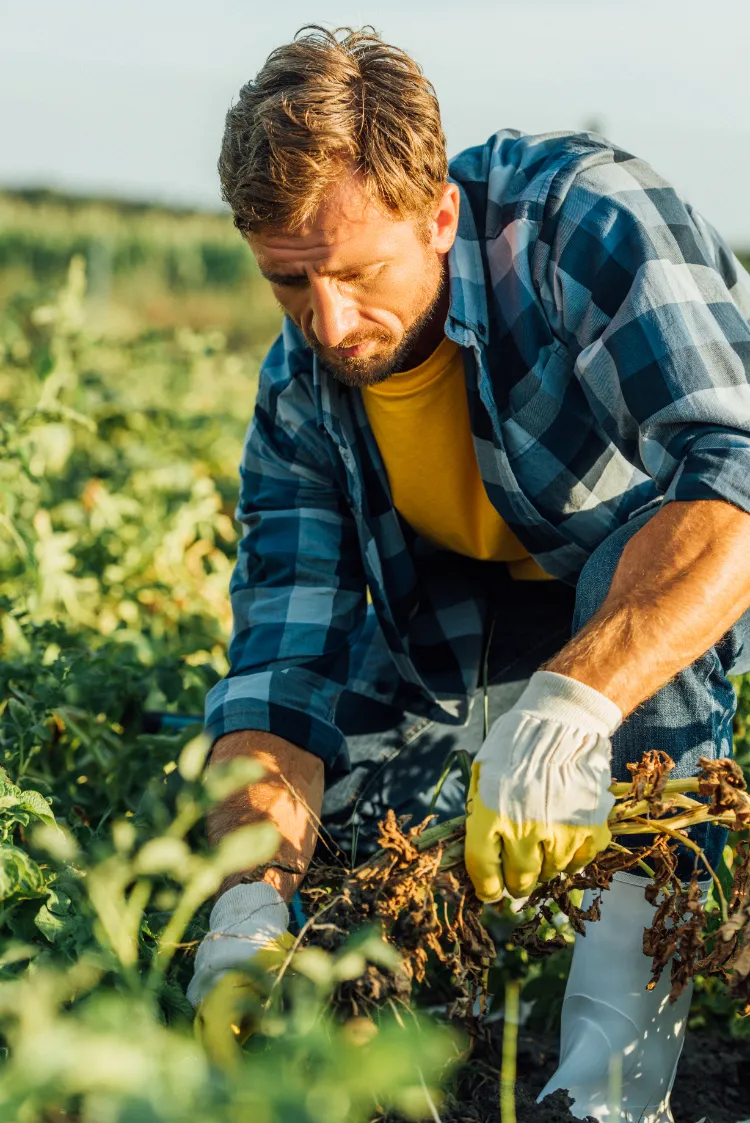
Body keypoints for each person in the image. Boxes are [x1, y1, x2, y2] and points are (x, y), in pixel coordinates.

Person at [186, 25, 750, 1122]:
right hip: (449, 633)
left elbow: (737, 468)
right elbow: (282, 669)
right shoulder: (301, 389)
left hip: (643, 594)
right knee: (348, 860)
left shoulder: (585, 224)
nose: (331, 326)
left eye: (356, 273)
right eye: (289, 284)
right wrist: (250, 903)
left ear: (439, 214)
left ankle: (608, 1095)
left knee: (636, 624)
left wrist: (574, 707)